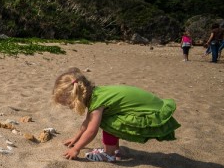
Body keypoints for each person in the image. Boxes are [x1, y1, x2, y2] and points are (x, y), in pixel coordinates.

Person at [52, 68, 181, 162]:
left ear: (77, 97)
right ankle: (114, 149)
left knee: (105, 120)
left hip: (149, 113)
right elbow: (87, 122)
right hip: (152, 106)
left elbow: (91, 130)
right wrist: (76, 139)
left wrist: (77, 149)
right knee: (105, 117)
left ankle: (110, 154)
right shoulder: (97, 93)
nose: (69, 107)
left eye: (68, 103)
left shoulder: (97, 102)